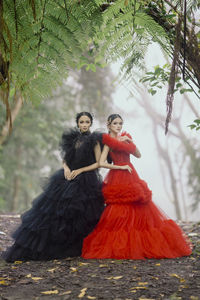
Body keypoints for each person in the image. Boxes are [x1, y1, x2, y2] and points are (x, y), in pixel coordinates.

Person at [82, 114, 192, 259]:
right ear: (108, 125)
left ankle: (140, 242)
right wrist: (120, 168)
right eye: (115, 123)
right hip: (119, 174)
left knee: (139, 204)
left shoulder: (125, 137)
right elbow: (101, 162)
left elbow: (138, 155)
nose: (118, 126)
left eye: (120, 123)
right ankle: (122, 244)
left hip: (131, 173)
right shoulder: (108, 142)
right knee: (119, 207)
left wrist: (130, 141)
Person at [3, 112, 104, 262]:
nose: (84, 124)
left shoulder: (95, 141)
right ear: (77, 123)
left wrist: (81, 170)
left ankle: (78, 247)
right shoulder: (72, 139)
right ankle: (53, 248)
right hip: (67, 176)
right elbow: (65, 159)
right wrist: (67, 169)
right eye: (81, 122)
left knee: (81, 213)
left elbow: (99, 163)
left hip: (86, 178)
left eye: (87, 122)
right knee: (54, 212)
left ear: (91, 123)